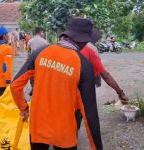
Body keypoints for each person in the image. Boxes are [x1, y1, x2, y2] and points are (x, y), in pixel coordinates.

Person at [10, 17, 102, 150]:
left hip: (38, 126)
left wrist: (23, 108)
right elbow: (90, 114)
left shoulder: (40, 52)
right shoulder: (84, 65)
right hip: (64, 131)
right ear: (83, 41)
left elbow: (15, 85)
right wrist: (97, 147)